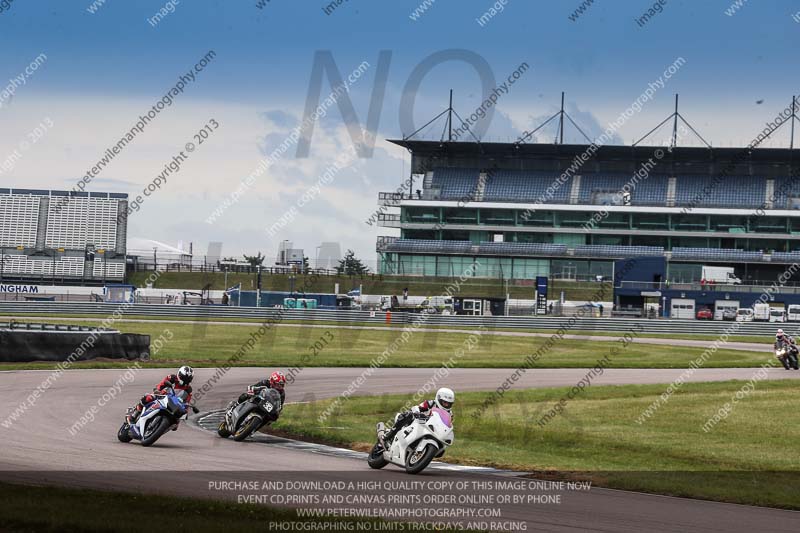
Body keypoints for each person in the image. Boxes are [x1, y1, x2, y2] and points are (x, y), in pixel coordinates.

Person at [381, 388, 454, 447]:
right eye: (444, 402)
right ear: (438, 399)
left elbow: (447, 425)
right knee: (407, 415)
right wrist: (417, 413)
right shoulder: (431, 403)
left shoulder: (449, 414)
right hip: (418, 422)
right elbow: (418, 407)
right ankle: (389, 435)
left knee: (442, 448)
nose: (446, 405)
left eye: (448, 404)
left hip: (431, 429)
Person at [127, 366, 194, 424]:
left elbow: (187, 402)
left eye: (187, 379)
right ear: (179, 375)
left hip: (174, 404)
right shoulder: (172, 378)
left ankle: (160, 428)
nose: (185, 380)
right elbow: (162, 384)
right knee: (148, 397)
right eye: (184, 378)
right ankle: (134, 414)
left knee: (176, 423)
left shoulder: (188, 389)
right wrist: (157, 390)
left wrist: (186, 411)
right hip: (162, 396)